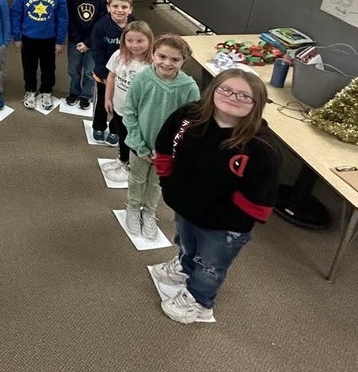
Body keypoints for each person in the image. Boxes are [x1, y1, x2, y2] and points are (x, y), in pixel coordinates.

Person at [152, 70, 280, 324]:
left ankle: (200, 300)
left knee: (211, 265)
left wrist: (221, 219)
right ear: (212, 90)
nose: (232, 97)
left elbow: (258, 201)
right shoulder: (190, 115)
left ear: (257, 105)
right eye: (225, 89)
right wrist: (168, 183)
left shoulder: (262, 148)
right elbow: (165, 145)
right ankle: (185, 266)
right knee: (186, 243)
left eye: (244, 96)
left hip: (223, 226)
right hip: (186, 208)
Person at [121, 35, 200, 240]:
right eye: (162, 56)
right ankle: (133, 207)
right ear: (153, 55)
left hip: (166, 152)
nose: (167, 63)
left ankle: (148, 211)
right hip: (139, 145)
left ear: (184, 61)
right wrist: (140, 145)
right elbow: (130, 113)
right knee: (137, 178)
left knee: (157, 183)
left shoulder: (189, 88)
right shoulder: (142, 79)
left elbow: (190, 124)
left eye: (174, 59)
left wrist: (170, 150)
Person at [9, 0, 68, 110]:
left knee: (49, 68)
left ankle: (46, 91)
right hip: (28, 38)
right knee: (29, 67)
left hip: (49, 38)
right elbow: (15, 15)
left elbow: (62, 19)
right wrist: (16, 36)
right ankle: (29, 90)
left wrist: (60, 40)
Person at [101, 21, 154, 183]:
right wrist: (107, 98)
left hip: (137, 114)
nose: (134, 45)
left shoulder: (152, 65)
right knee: (122, 135)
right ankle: (122, 160)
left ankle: (130, 166)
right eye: (129, 40)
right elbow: (111, 76)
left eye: (140, 41)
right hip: (119, 107)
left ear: (150, 40)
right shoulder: (118, 55)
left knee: (133, 140)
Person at [89, 0, 135, 142]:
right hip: (104, 74)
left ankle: (115, 130)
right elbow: (96, 51)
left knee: (121, 104)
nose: (119, 10)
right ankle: (98, 127)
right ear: (108, 8)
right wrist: (103, 74)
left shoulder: (135, 26)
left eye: (124, 7)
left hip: (125, 75)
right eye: (115, 6)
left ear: (130, 9)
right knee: (103, 101)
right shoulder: (100, 26)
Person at [65, 0, 107, 109]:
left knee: (90, 71)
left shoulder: (101, 0)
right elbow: (69, 20)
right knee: (73, 69)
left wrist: (88, 43)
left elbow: (100, 25)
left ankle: (85, 95)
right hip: (74, 42)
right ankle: (74, 91)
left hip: (93, 43)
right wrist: (78, 41)